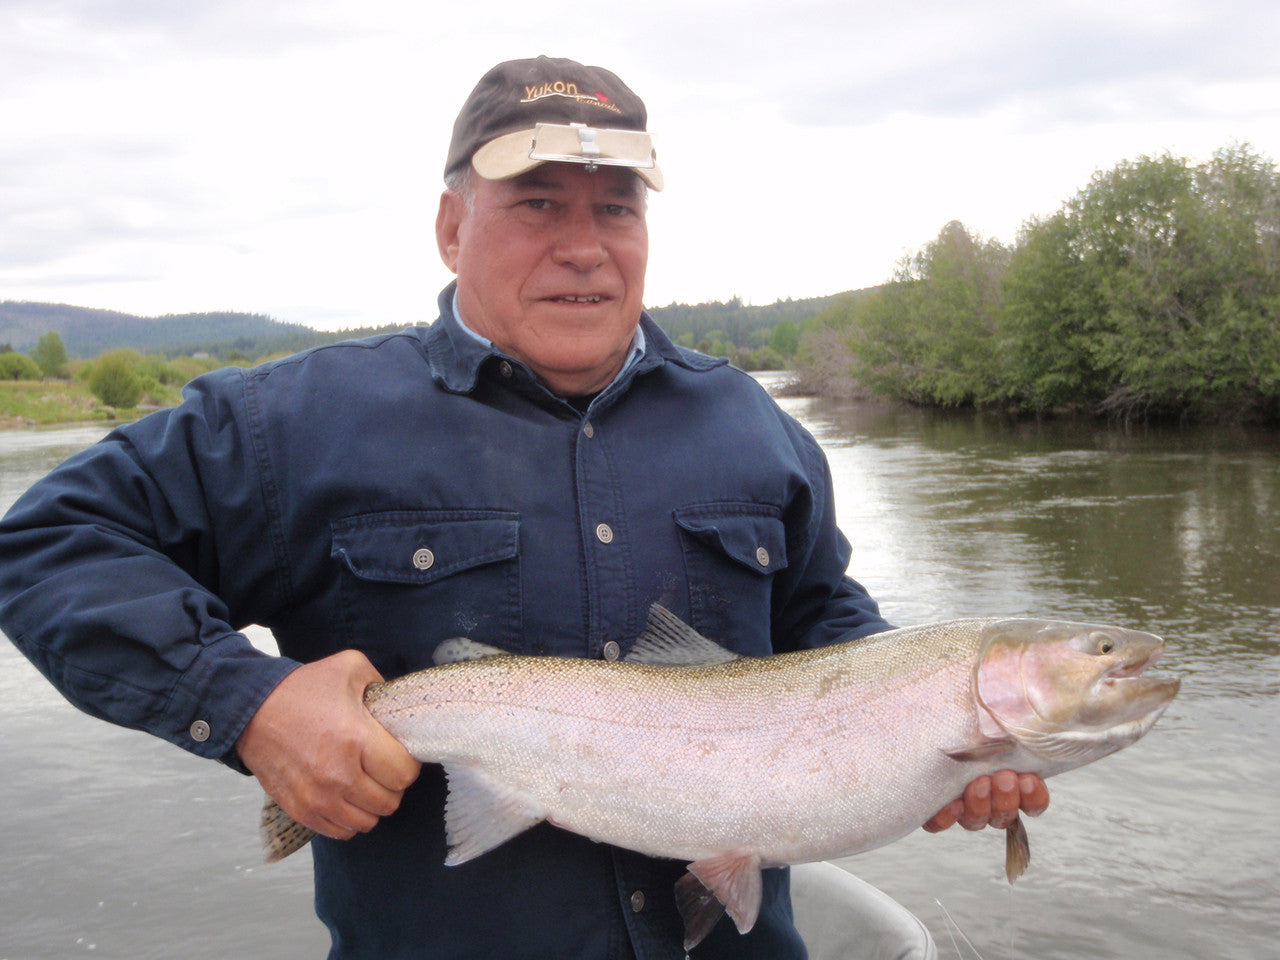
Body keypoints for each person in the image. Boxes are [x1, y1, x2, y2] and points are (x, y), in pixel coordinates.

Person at [0, 56, 1047, 959]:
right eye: (537, 202)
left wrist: (924, 743)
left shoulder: (748, 421)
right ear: (453, 226)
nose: (583, 244)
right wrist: (245, 702)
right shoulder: (288, 425)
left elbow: (825, 620)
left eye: (615, 207)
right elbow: (48, 544)